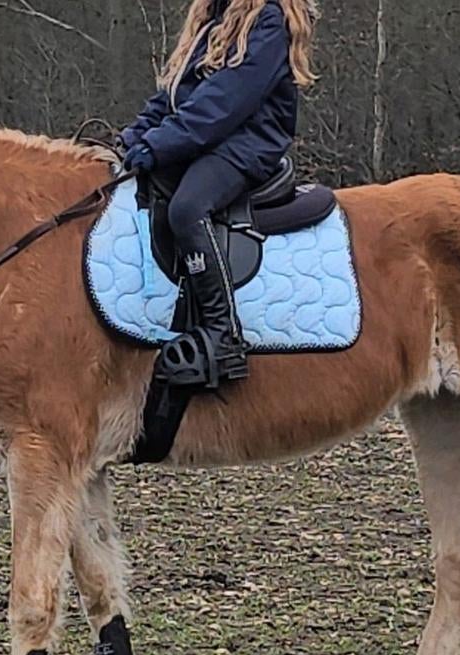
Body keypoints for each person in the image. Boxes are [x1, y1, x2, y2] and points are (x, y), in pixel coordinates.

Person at [120, 0, 318, 386]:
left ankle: (222, 334)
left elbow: (223, 103)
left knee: (187, 208)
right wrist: (133, 136)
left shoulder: (268, 21)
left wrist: (159, 146)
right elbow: (174, 94)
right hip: (209, 140)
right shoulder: (213, 17)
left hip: (247, 142)